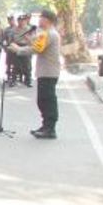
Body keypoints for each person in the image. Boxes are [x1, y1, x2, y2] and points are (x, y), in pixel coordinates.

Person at [7, 8, 62, 139]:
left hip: (48, 72)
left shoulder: (48, 34)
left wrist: (18, 49)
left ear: (47, 20)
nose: (39, 20)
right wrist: (30, 40)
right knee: (43, 100)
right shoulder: (48, 33)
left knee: (47, 100)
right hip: (47, 71)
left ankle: (49, 129)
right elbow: (39, 46)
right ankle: (46, 126)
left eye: (41, 18)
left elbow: (37, 49)